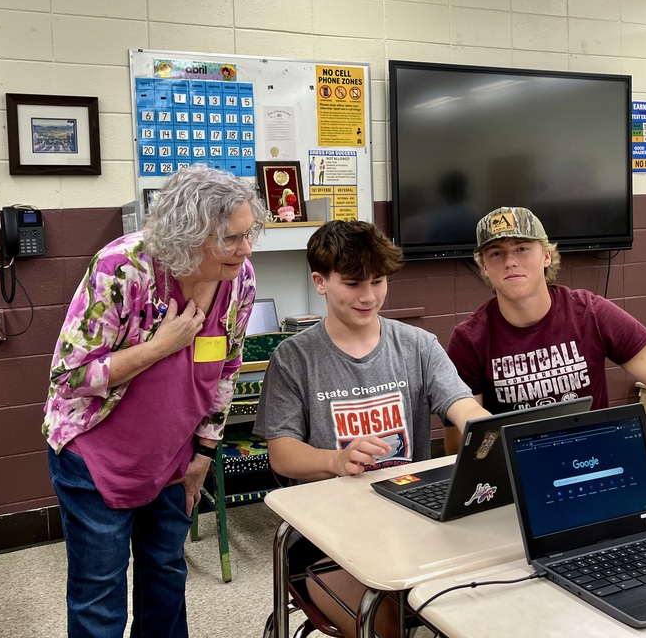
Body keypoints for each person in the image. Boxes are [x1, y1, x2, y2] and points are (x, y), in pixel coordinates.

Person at [43, 164, 267, 638]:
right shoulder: (123, 267)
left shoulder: (240, 278)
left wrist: (205, 453)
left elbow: (227, 369)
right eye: (231, 238)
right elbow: (70, 375)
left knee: (165, 578)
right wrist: (160, 346)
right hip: (96, 457)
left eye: (250, 234)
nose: (246, 249)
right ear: (187, 235)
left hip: (174, 457)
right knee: (100, 595)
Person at [254, 220, 489, 637]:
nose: (368, 296)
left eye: (378, 281)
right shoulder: (294, 358)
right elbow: (282, 453)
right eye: (352, 283)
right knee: (389, 623)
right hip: (325, 534)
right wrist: (335, 459)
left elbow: (461, 405)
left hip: (411, 517)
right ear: (320, 282)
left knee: (477, 601)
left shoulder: (417, 345)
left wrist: (495, 433)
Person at [445, 206, 646, 453]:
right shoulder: (469, 338)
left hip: (595, 457)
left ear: (547, 256)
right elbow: (458, 445)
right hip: (516, 469)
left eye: (522, 248)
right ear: (484, 267)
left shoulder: (591, 313)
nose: (510, 261)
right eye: (496, 253)